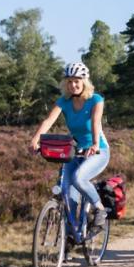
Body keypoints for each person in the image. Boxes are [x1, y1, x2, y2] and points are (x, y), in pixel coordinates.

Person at [30, 62, 110, 235]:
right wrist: (36, 139)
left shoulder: (96, 99)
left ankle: (99, 209)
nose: (73, 85)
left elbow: (96, 123)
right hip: (76, 152)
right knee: (68, 195)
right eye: (69, 81)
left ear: (84, 82)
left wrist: (95, 144)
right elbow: (48, 121)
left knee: (79, 178)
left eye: (77, 81)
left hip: (98, 151)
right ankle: (69, 240)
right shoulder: (64, 102)